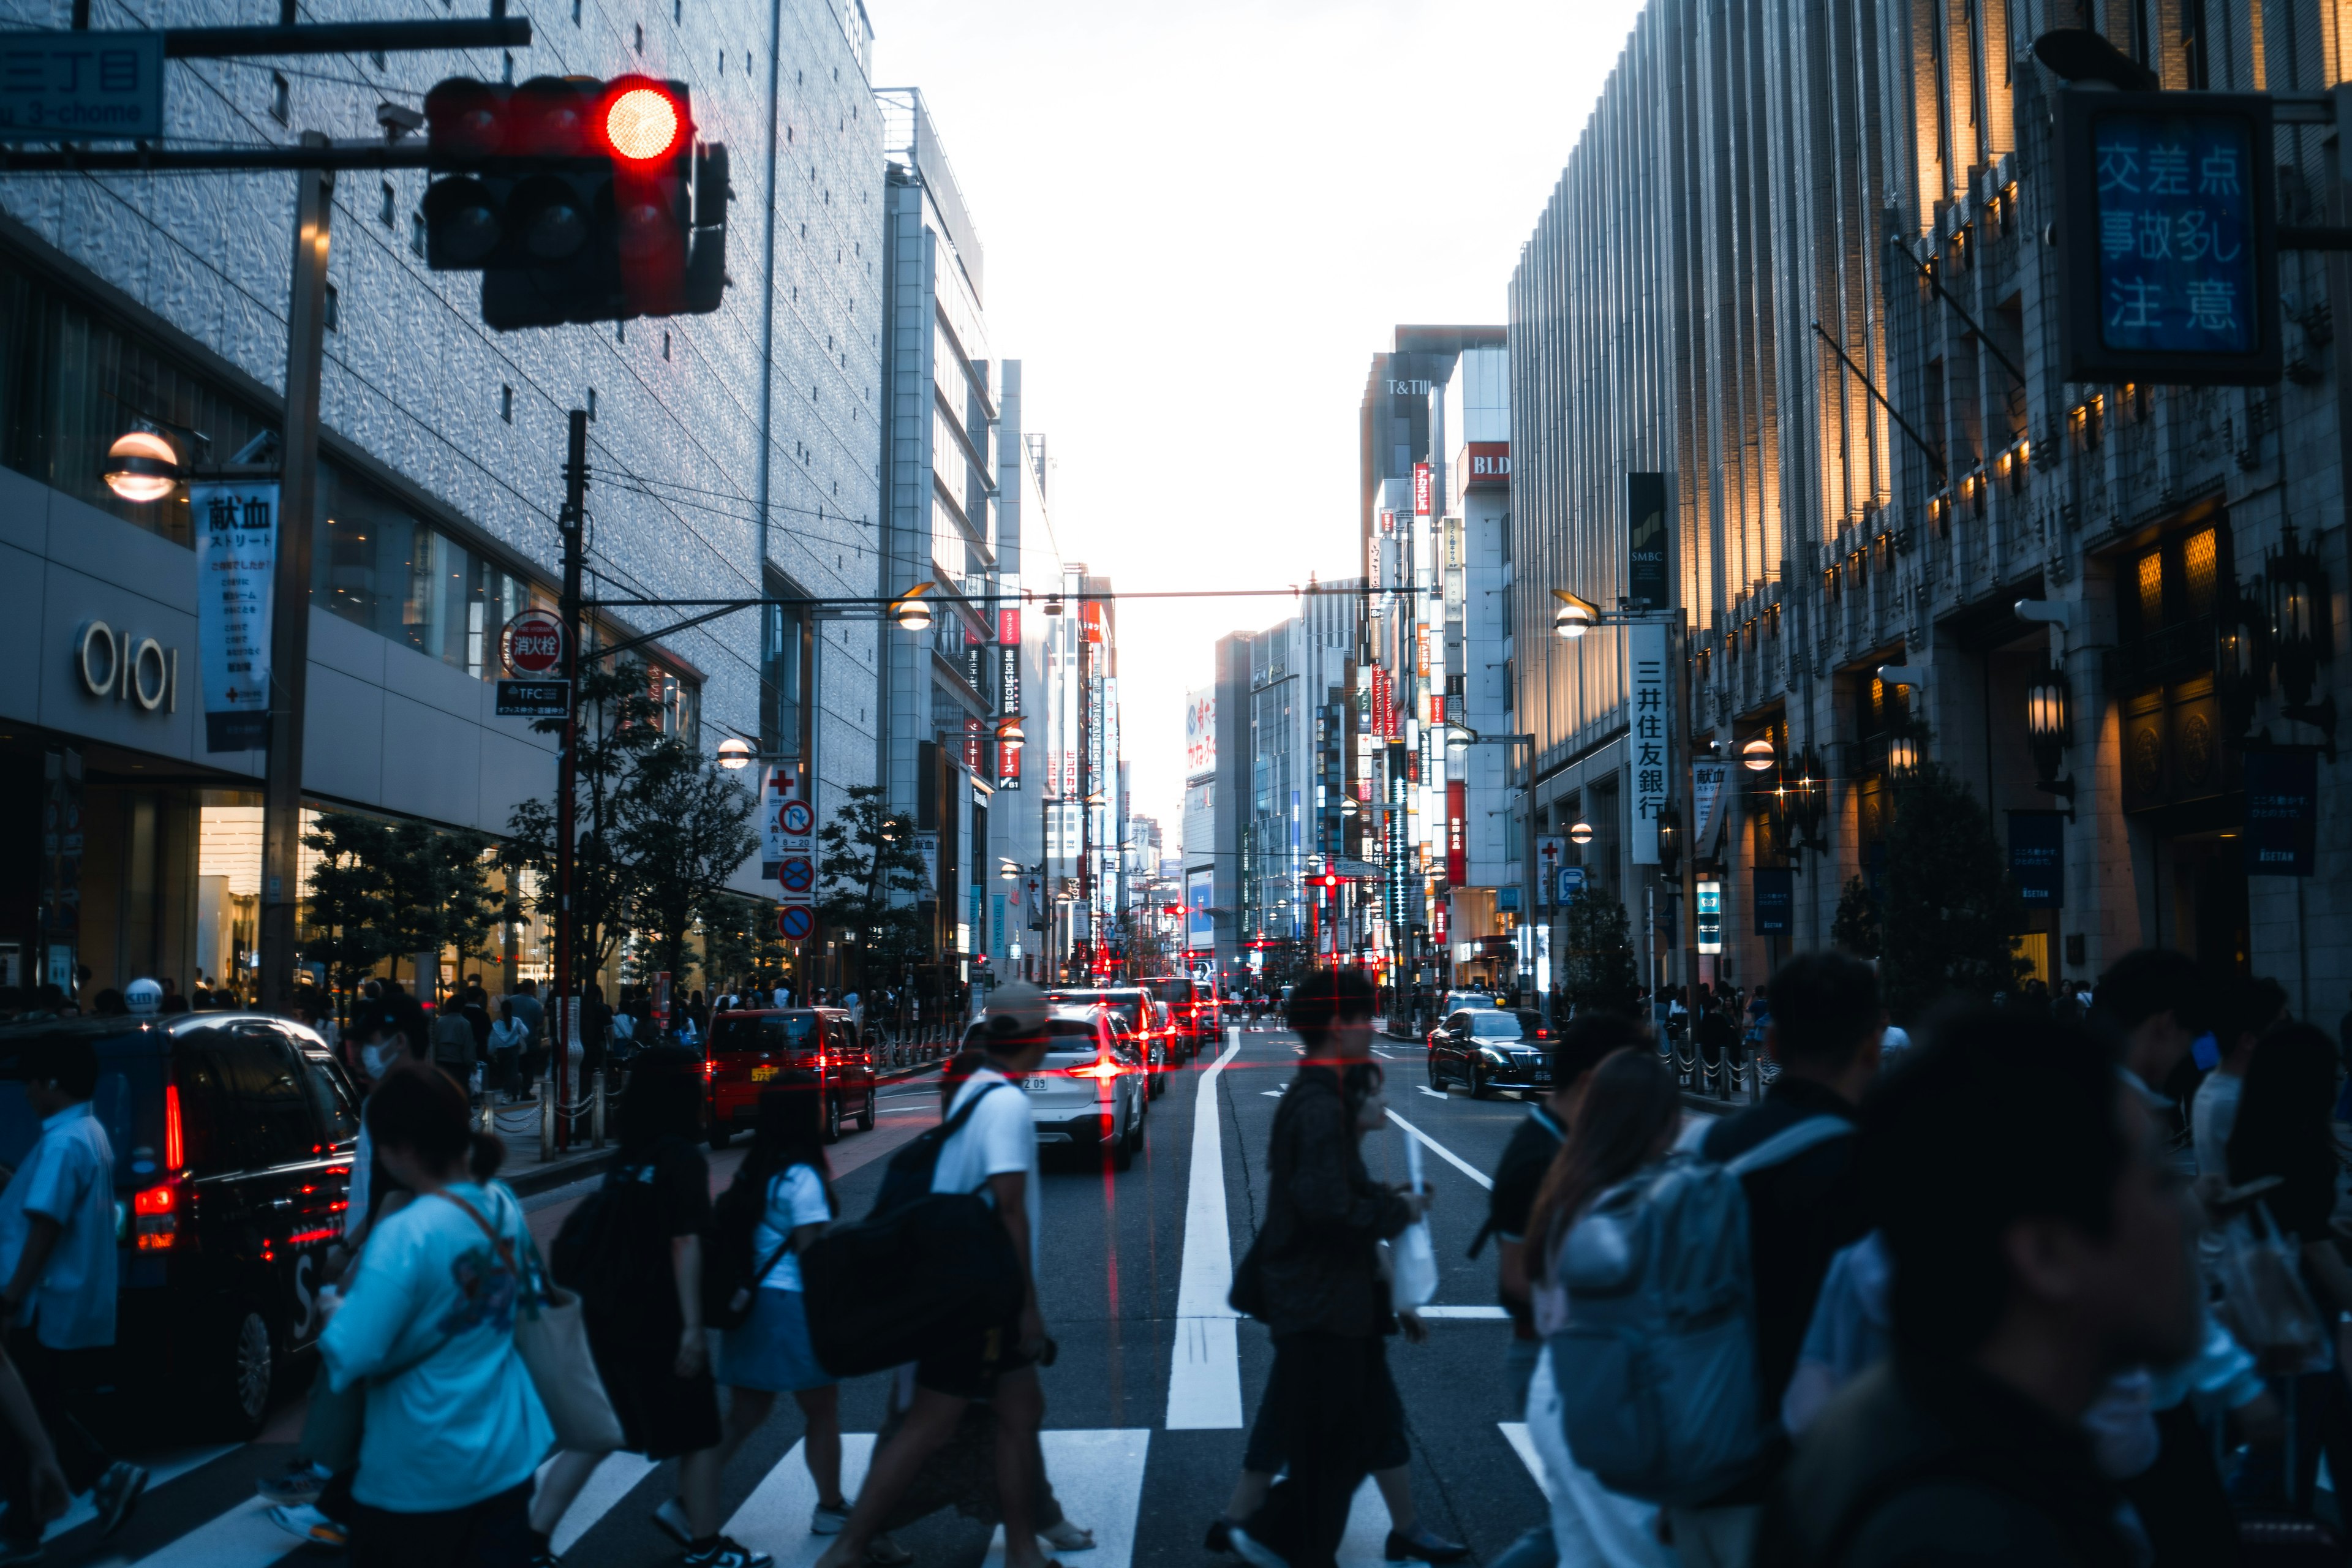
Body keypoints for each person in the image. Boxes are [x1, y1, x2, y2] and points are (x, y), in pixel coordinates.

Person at [1752, 1009, 2203, 1568]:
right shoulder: (1978, 1537)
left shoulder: (1889, 1448)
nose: (2188, 1215)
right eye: (2159, 1181)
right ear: (2044, 1253)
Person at [811, 982, 1057, 1568]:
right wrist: (1026, 1304)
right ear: (1037, 1038)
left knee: (1018, 1414)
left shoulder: (977, 1091)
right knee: (932, 1423)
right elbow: (1011, 1209)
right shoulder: (1004, 1104)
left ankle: (1022, 1545)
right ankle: (848, 1545)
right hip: (977, 1291)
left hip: (961, 1279)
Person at [1671, 952, 1880, 1565]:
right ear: (1873, 1042)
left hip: (1704, 1462)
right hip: (1826, 1479)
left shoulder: (1704, 1148)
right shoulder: (1881, 1170)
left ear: (1769, 1043)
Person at [1211, 1061, 1461, 1567]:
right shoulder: (1328, 1157)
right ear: (1349, 1107)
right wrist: (1401, 1212)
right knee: (1339, 1427)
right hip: (1325, 1314)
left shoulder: (1342, 1158)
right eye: (1376, 1095)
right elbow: (1343, 1227)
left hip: (1337, 1313)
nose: (1386, 1103)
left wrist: (1399, 1296)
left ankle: (1244, 1521)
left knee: (1353, 1417)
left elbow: (1358, 1235)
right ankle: (1263, 1527)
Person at [318, 1063, 549, 1567]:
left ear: (401, 1147)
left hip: (418, 1472)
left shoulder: (406, 1234)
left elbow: (352, 1352)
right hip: (504, 1459)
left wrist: (332, 1305)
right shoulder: (501, 1204)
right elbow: (528, 1298)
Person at [579, 1052, 762, 1568]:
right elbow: (686, 1243)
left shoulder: (627, 1156)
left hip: (614, 1312)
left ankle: (537, 1535)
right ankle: (703, 1544)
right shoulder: (682, 1157)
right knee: (700, 1432)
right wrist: (692, 1328)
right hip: (661, 1316)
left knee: (599, 1427)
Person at [1517, 1049, 1686, 1568]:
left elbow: (1544, 1308)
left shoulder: (1568, 1188)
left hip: (1559, 1383)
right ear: (1658, 1124)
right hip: (1614, 1391)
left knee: (1582, 1549)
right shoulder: (1641, 1202)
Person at [0, 1036, 148, 1558]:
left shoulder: (64, 1144)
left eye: (31, 1082)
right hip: (64, 1300)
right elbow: (41, 1200)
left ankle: (47, 1511)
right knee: (35, 1410)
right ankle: (38, 1514)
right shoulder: (87, 1133)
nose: (26, 1092)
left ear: (53, 1083)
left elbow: (44, 1222)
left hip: (44, 1303)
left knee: (26, 1415)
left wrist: (12, 1296)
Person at [2225, 1020, 2352, 1510]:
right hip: (2297, 1304)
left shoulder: (2257, 1128)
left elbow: (2295, 1223)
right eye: (2330, 1071)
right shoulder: (2299, 1142)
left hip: (2276, 1294)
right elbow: (2312, 1241)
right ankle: (2229, 1541)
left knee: (2323, 1426)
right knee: (2282, 1442)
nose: (2338, 1078)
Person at [704, 1089, 844, 1526]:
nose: (825, 1108)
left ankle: (690, 1499)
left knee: (745, 1414)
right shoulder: (803, 1177)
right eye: (818, 1102)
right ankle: (831, 1507)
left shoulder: (756, 1169)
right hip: (791, 1303)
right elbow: (812, 1257)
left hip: (752, 1303)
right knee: (821, 1410)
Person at [2190, 975, 2285, 1179]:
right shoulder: (2236, 1102)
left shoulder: (2215, 1088)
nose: (2283, 1039)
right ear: (2248, 1041)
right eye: (2274, 1029)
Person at [489, 1000, 530, 1105]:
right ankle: (511, 1094)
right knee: (513, 1072)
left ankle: (509, 1093)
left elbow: (492, 1040)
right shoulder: (516, 1021)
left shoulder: (496, 1024)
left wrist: (490, 1052)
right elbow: (526, 1033)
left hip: (500, 1051)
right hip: (513, 1049)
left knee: (505, 1072)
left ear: (501, 1010)